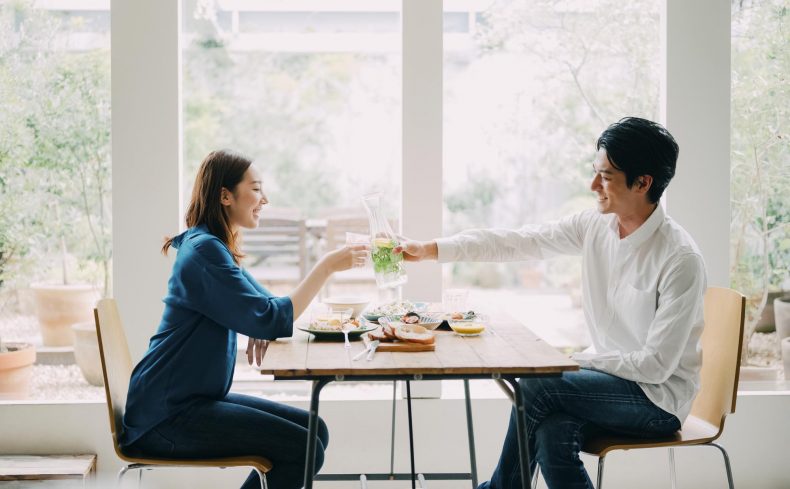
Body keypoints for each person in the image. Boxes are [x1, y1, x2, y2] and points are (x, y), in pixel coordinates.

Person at [395, 117, 706, 489]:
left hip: (657, 402)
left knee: (535, 386)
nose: (593, 186)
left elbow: (655, 367)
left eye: (605, 177)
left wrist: (572, 361)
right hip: (605, 386)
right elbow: (517, 242)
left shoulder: (679, 259)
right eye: (596, 173)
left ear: (643, 183)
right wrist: (430, 249)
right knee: (552, 432)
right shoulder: (594, 227)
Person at [119, 149, 368, 489]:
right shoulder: (204, 251)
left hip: (187, 401)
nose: (264, 199)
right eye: (256, 188)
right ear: (225, 195)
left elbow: (265, 306)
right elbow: (270, 316)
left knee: (315, 432)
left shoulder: (210, 246)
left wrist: (259, 319)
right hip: (166, 416)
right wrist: (325, 267)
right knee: (303, 448)